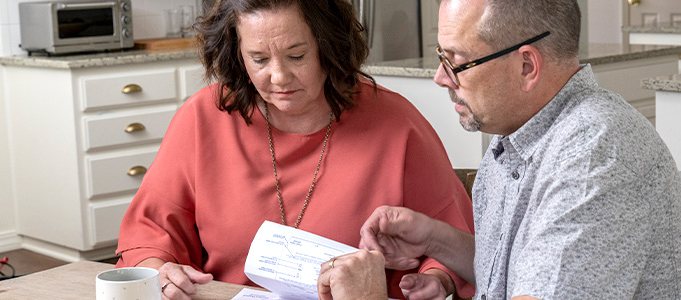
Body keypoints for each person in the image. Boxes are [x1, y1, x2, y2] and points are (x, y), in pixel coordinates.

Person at [317, 0, 681, 299]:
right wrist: (434, 239)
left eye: (455, 62)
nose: (439, 78)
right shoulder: (518, 135)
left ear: (526, 67)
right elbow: (525, 271)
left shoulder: (594, 157)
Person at [114, 0, 475, 299]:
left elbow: (456, 241)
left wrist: (439, 279)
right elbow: (150, 233)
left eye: (297, 56)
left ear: (329, 47)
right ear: (237, 55)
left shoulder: (397, 124)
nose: (279, 77)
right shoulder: (202, 117)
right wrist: (159, 271)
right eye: (258, 59)